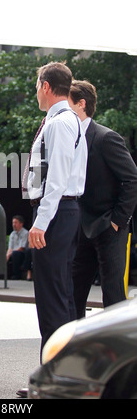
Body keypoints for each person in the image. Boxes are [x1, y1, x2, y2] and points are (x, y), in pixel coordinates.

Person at [24, 62, 88, 355]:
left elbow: (57, 178)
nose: (36, 92)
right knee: (60, 295)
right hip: (61, 212)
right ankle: (62, 374)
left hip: (57, 213)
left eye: (37, 86)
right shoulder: (65, 120)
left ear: (46, 86)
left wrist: (41, 221)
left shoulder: (61, 122)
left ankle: (54, 376)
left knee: (52, 298)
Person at [69, 80, 137, 318]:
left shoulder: (106, 138)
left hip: (109, 226)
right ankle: (76, 347)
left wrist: (118, 219)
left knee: (113, 293)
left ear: (81, 104)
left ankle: (119, 352)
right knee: (74, 291)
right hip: (79, 227)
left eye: (67, 104)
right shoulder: (69, 138)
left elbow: (132, 179)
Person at [6, 215, 31, 279]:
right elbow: (10, 248)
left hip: (22, 252)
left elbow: (22, 247)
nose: (14, 224)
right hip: (14, 252)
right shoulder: (12, 234)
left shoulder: (25, 233)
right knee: (7, 255)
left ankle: (17, 275)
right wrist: (7, 255)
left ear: (21, 224)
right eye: (13, 223)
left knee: (15, 254)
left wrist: (12, 253)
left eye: (16, 222)